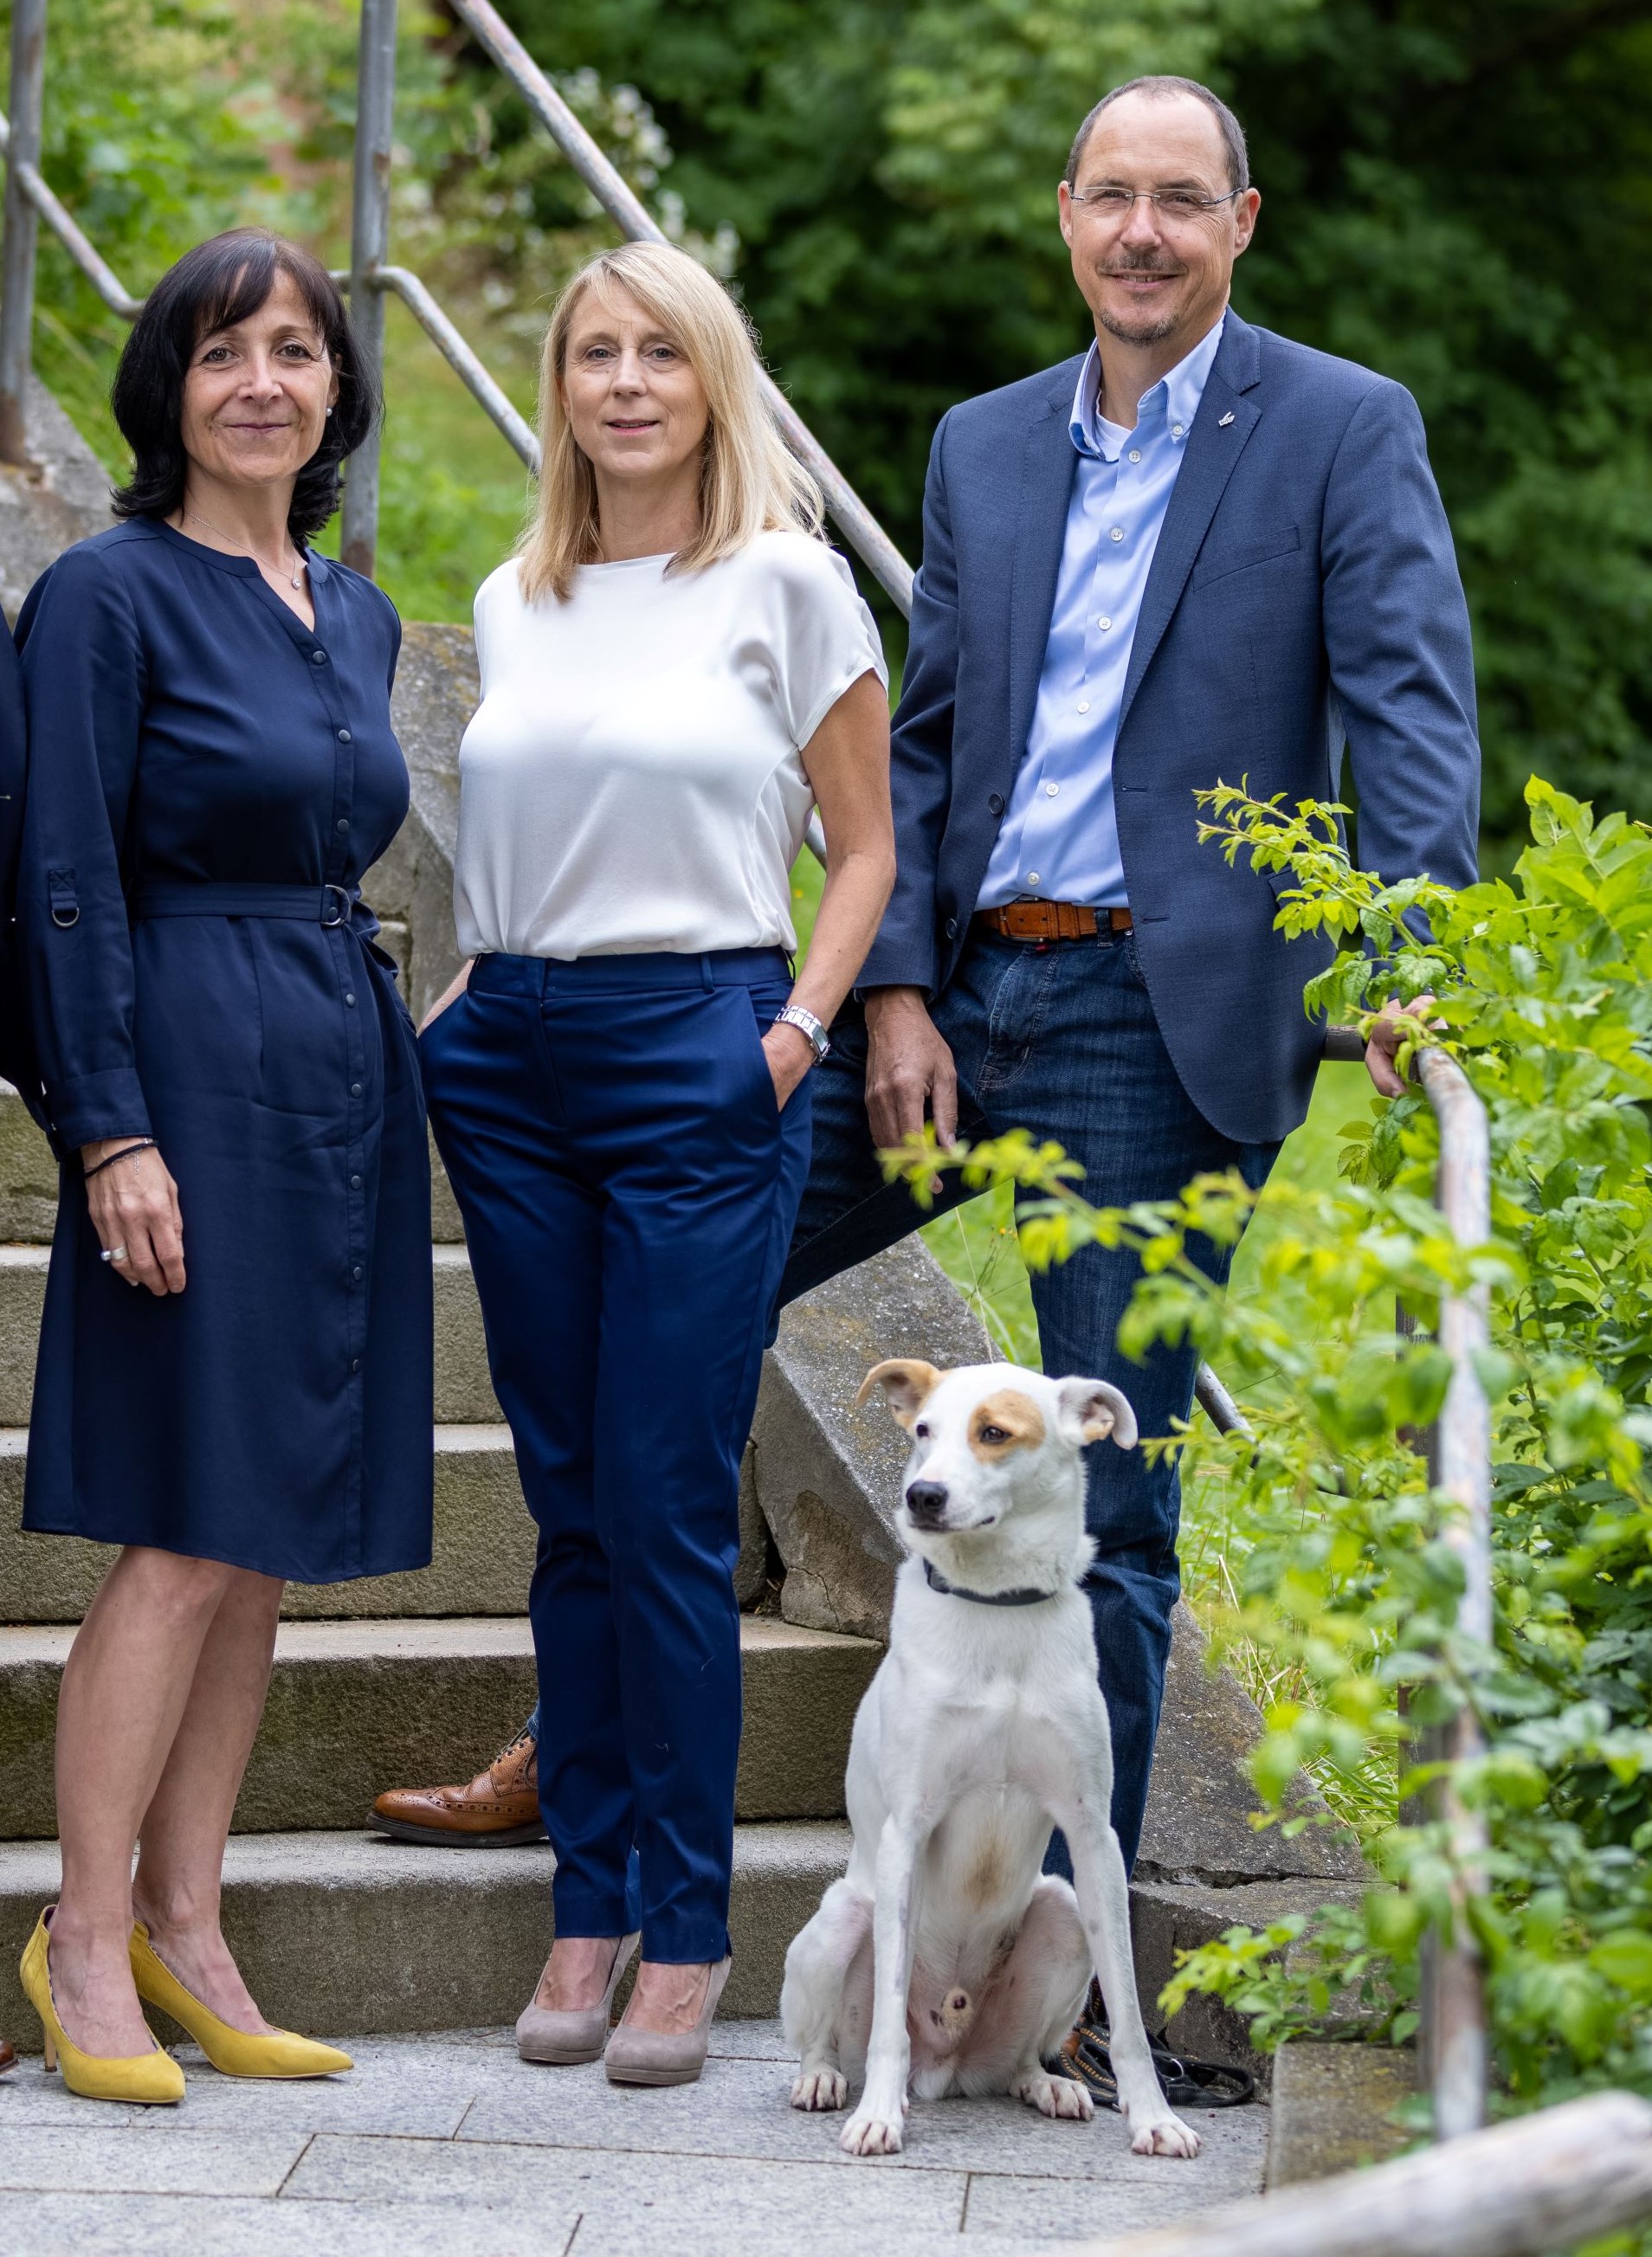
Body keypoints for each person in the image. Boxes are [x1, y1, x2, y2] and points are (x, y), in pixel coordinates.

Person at [375, 73, 1478, 2088]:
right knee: (661, 1318)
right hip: (960, 1005)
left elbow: (1412, 721)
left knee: (1116, 1507)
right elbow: (933, 753)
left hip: (1171, 1020)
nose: (1141, 234)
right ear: (1066, 216)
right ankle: (606, 1762)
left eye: (1181, 202)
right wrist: (888, 992)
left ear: (1243, 222)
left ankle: (1070, 1977)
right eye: (1109, 199)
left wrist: (1401, 970)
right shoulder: (984, 445)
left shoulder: (1339, 428)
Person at [416, 239, 893, 2087]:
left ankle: (687, 1931)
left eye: (659, 355)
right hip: (516, 1051)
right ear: (562, 387)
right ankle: (589, 1903)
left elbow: (863, 848)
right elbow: (518, 816)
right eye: (593, 353)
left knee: (671, 1499)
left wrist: (794, 1036)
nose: (624, 382)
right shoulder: (515, 593)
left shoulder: (788, 582)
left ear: (712, 382)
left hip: (705, 1040)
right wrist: (470, 991)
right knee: (571, 1508)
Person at [15, 229, 433, 2104]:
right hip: (181, 1059)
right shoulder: (103, 598)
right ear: (165, 389)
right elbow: (60, 875)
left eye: (295, 349)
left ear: (337, 386)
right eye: (219, 352)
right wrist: (106, 1123)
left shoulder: (358, 614)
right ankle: (81, 1932)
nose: (261, 379)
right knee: (185, 1527)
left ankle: (195, 1919)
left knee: (262, 1538)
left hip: (335, 1062)